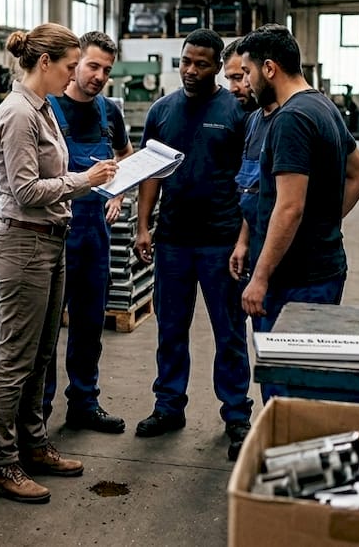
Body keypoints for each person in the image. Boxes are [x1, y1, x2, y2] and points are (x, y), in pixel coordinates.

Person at [0, 22, 119, 504]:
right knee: (14, 359)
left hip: (50, 241)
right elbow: (23, 190)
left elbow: (50, 174)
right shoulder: (19, 113)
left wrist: (84, 180)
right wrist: (84, 181)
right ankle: (1, 464)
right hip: (24, 245)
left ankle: (34, 446)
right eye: (69, 66)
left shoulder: (42, 109)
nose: (73, 76)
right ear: (46, 63)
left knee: (41, 355)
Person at [133, 28, 253, 459]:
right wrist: (143, 225)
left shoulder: (237, 110)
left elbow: (251, 181)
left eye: (201, 63)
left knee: (229, 331)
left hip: (221, 242)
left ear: (218, 66)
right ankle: (168, 406)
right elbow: (151, 172)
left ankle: (237, 413)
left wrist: (244, 239)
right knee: (170, 328)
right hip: (174, 243)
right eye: (186, 61)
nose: (191, 70)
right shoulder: (163, 111)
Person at [236, 24, 359, 400]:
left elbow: (290, 207)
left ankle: (285, 456)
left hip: (293, 280)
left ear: (269, 68)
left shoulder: (290, 119)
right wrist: (325, 223)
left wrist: (260, 277)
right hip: (324, 267)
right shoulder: (323, 105)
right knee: (311, 382)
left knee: (286, 390)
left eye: (246, 72)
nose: (245, 82)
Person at [41, 31, 134, 434]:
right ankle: (37, 414)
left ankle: (83, 402)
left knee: (89, 323)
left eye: (106, 70)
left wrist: (119, 193)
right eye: (93, 66)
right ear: (75, 62)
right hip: (55, 230)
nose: (99, 76)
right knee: (44, 331)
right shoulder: (47, 107)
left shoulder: (108, 112)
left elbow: (125, 156)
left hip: (95, 232)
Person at [226, 40, 279, 308]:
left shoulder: (291, 121)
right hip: (257, 246)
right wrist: (243, 241)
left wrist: (324, 223)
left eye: (242, 75)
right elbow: (253, 190)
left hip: (286, 259)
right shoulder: (255, 120)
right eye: (232, 78)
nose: (237, 86)